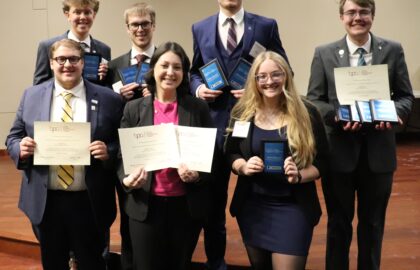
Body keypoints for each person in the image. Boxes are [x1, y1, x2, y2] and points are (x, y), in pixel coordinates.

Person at [306, 0, 414, 269]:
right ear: (341, 17)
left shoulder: (392, 49)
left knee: (373, 225)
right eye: (351, 12)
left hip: (379, 155)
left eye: (364, 11)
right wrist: (339, 117)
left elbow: (405, 96)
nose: (358, 17)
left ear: (372, 16)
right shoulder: (324, 53)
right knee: (338, 225)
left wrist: (393, 114)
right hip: (338, 155)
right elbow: (314, 100)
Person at [189, 1, 290, 268]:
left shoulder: (266, 26)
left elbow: (285, 69)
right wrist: (199, 90)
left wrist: (258, 89)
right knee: (212, 201)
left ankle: (268, 253)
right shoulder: (199, 28)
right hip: (212, 127)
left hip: (256, 126)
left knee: (260, 188)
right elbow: (194, 72)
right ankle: (216, 260)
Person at [6, 39, 122, 269]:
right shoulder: (31, 95)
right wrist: (21, 148)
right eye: (61, 59)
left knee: (92, 263)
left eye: (74, 59)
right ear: (51, 63)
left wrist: (108, 151)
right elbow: (13, 137)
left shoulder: (109, 99)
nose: (67, 64)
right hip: (46, 201)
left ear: (82, 62)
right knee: (53, 263)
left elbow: (122, 142)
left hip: (89, 200)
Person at [224, 51, 328, 270]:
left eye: (276, 74)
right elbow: (231, 152)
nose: (269, 81)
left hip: (293, 206)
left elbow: (324, 161)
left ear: (286, 76)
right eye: (261, 76)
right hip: (253, 207)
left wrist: (300, 175)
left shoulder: (307, 112)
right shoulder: (242, 113)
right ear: (254, 80)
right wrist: (243, 166)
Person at [117, 41, 214, 270]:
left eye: (177, 67)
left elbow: (212, 159)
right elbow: (122, 157)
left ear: (184, 73)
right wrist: (127, 179)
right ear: (154, 70)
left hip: (185, 206)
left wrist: (197, 175)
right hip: (145, 206)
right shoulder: (134, 108)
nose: (170, 72)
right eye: (165, 65)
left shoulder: (198, 108)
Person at [33, 0, 110, 85]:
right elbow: (39, 87)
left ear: (94, 15)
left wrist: (105, 77)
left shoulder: (104, 49)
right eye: (77, 12)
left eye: (87, 12)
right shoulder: (47, 46)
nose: (83, 17)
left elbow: (107, 89)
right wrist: (62, 77)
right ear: (67, 15)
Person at [106, 2, 156, 101]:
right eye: (135, 25)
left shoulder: (167, 63)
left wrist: (159, 95)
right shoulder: (112, 67)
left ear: (153, 26)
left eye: (145, 24)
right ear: (128, 29)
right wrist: (118, 97)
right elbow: (107, 104)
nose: (140, 29)